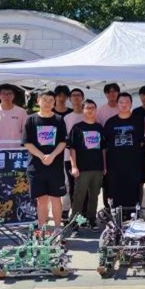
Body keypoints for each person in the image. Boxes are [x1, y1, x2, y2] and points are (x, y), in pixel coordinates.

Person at [22, 91, 68, 232]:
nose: (47, 103)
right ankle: (42, 229)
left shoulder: (59, 120)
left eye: (50, 100)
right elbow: (27, 143)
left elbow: (63, 142)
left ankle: (58, 229)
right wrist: (42, 156)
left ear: (54, 102)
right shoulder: (30, 120)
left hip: (55, 166)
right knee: (41, 200)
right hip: (36, 167)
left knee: (56, 198)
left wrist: (52, 156)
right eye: (44, 100)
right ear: (38, 101)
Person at [68, 99, 106, 229]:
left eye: (92, 108)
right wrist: (74, 166)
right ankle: (74, 223)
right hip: (82, 168)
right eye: (87, 108)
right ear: (83, 110)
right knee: (79, 196)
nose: (90, 110)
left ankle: (92, 220)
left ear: (96, 110)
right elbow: (72, 148)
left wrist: (104, 166)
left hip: (97, 168)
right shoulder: (77, 128)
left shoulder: (99, 127)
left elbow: (103, 148)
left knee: (94, 196)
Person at [103, 92, 144, 208]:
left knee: (133, 192)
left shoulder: (139, 121)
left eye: (127, 102)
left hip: (133, 165)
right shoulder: (110, 122)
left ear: (131, 104)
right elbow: (105, 145)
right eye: (121, 102)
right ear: (117, 104)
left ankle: (132, 214)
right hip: (114, 166)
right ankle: (116, 215)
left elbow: (142, 142)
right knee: (116, 192)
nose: (124, 105)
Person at [62, 88, 85, 218]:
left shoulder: (89, 114)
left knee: (85, 187)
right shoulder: (66, 118)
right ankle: (74, 214)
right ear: (70, 99)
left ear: (83, 98)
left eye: (79, 95)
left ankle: (85, 214)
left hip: (87, 157)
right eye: (73, 95)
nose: (76, 98)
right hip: (69, 157)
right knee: (72, 186)